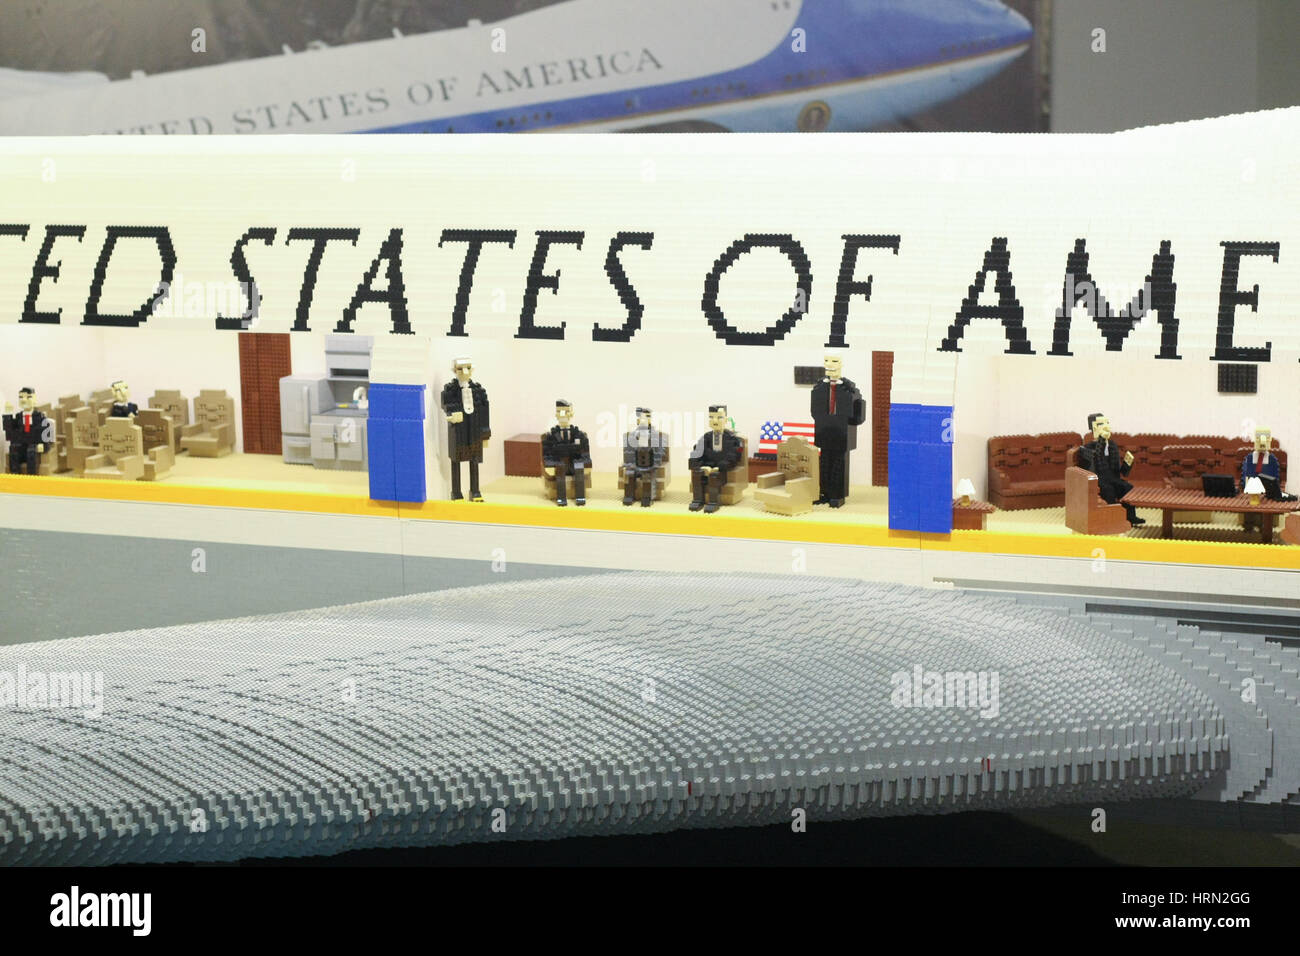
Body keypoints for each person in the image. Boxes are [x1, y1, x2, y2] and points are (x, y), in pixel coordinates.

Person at [809, 354, 865, 507]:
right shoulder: (820, 387)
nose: (830, 365)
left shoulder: (848, 388)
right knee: (824, 463)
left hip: (842, 433)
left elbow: (859, 411)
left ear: (840, 364)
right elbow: (815, 409)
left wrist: (850, 421)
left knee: (839, 464)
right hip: (824, 431)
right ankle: (824, 493)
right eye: (826, 361)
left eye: (834, 361)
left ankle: (837, 495)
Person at [1078, 412, 1144, 526]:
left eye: (1107, 423)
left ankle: (1130, 516)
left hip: (1113, 477)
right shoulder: (1087, 448)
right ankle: (1112, 518)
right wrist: (1102, 440)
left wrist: (1127, 465)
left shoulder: (1112, 445)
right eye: (1101, 424)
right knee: (1108, 490)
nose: (1106, 426)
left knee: (1127, 487)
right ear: (1094, 427)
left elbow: (1118, 470)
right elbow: (1096, 458)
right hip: (1099, 479)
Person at [440, 357, 490, 501]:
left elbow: (485, 410)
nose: (465, 372)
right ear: (455, 370)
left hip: (474, 430)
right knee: (456, 461)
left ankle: (475, 491)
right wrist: (452, 414)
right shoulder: (450, 390)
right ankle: (456, 492)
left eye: (468, 367)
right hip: (458, 431)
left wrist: (486, 433)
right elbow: (446, 404)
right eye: (461, 368)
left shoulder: (479, 390)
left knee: (474, 460)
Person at [688, 404, 743, 513]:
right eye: (711, 417)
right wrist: (697, 464)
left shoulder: (732, 439)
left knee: (714, 476)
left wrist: (722, 466)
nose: (715, 420)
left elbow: (735, 455)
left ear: (726, 420)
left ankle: (713, 502)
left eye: (719, 417)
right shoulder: (706, 437)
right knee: (697, 474)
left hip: (722, 469)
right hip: (707, 466)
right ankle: (697, 501)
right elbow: (697, 450)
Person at [541, 399, 591, 507]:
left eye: (565, 412)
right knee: (560, 469)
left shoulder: (578, 434)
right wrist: (550, 464)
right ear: (556, 414)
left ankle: (580, 497)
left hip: (574, 463)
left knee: (578, 467)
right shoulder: (551, 436)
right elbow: (547, 453)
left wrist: (584, 462)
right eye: (560, 412)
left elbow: (585, 452)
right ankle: (561, 498)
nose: (563, 415)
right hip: (560, 464)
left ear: (571, 414)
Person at [622, 407, 667, 507]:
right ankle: (629, 496)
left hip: (650, 466)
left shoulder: (656, 436)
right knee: (629, 474)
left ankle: (647, 497)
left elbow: (660, 452)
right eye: (642, 418)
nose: (644, 420)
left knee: (647, 476)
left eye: (647, 417)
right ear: (638, 420)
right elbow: (628, 452)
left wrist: (654, 463)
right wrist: (630, 465)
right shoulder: (631, 436)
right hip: (634, 464)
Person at [3, 387, 50, 475]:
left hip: (33, 443)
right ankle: (15, 475)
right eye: (21, 397)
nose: (24, 400)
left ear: (34, 400)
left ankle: (31, 476)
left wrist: (44, 444)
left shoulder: (39, 417)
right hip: (22, 443)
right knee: (13, 450)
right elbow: (9, 430)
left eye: (28, 397)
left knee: (31, 452)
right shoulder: (18, 417)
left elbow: (45, 430)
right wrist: (7, 414)